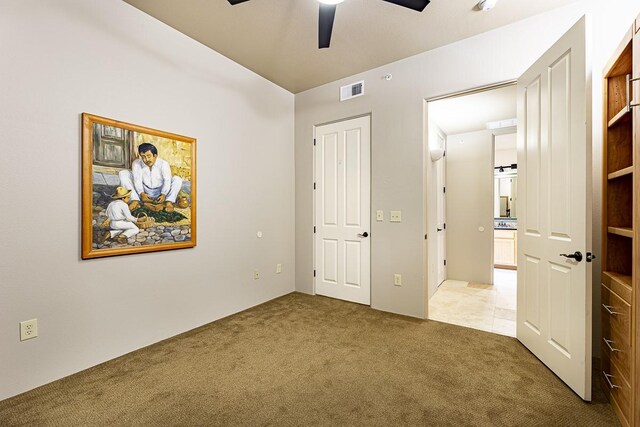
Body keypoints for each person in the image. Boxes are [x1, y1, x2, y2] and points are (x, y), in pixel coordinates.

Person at [118, 142, 182, 212]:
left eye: (148, 156)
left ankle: (168, 202)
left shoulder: (163, 164)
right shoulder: (136, 163)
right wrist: (142, 194)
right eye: (143, 157)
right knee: (123, 173)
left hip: (160, 192)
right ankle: (135, 200)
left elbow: (167, 180)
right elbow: (137, 180)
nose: (146, 160)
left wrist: (164, 194)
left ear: (155, 155)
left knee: (177, 179)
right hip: (143, 192)